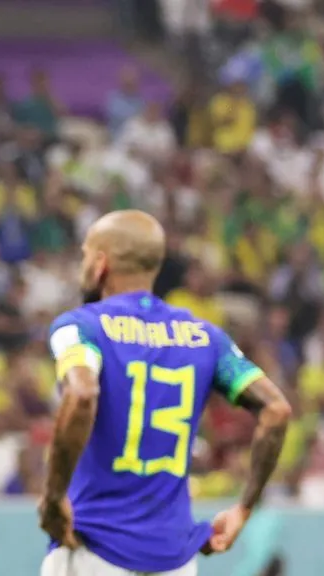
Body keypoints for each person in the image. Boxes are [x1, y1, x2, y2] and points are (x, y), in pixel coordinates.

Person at [38, 210, 292, 576]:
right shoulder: (206, 337)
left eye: (84, 254)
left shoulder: (80, 327)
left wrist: (53, 497)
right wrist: (244, 509)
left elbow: (81, 394)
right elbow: (277, 410)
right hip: (175, 559)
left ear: (100, 263)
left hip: (93, 546)